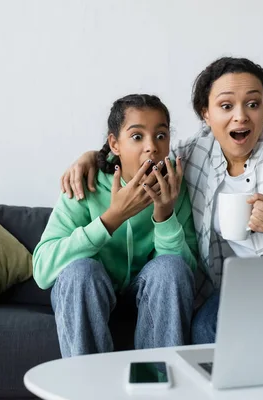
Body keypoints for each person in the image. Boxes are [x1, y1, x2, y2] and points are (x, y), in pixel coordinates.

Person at [58, 57, 263, 345]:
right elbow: (145, 149)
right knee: (205, 329)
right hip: (235, 288)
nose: (240, 116)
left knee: (199, 312)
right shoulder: (191, 155)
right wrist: (93, 159)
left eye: (253, 104)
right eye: (226, 106)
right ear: (206, 114)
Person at [33, 94, 198, 358]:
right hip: (91, 292)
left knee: (170, 268)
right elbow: (43, 270)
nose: (151, 147)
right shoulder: (84, 182)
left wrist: (165, 216)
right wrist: (111, 219)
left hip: (146, 295)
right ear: (114, 144)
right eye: (137, 136)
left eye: (161, 135)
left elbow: (187, 277)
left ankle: (157, 386)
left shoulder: (174, 188)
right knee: (80, 272)